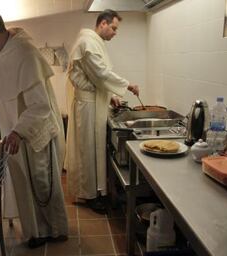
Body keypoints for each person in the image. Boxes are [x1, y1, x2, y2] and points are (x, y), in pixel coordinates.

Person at [0, 7, 68, 248]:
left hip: (33, 133)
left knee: (42, 184)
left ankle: (55, 230)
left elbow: (41, 106)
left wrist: (18, 131)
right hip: (14, 134)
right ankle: (35, 232)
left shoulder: (26, 53)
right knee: (24, 184)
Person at [65, 9, 139, 213]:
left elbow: (97, 79)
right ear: (103, 24)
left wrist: (112, 96)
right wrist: (127, 85)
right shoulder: (88, 43)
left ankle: (96, 192)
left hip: (94, 102)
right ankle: (88, 196)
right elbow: (101, 73)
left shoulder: (95, 42)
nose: (115, 32)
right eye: (114, 28)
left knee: (93, 150)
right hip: (88, 106)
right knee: (87, 151)